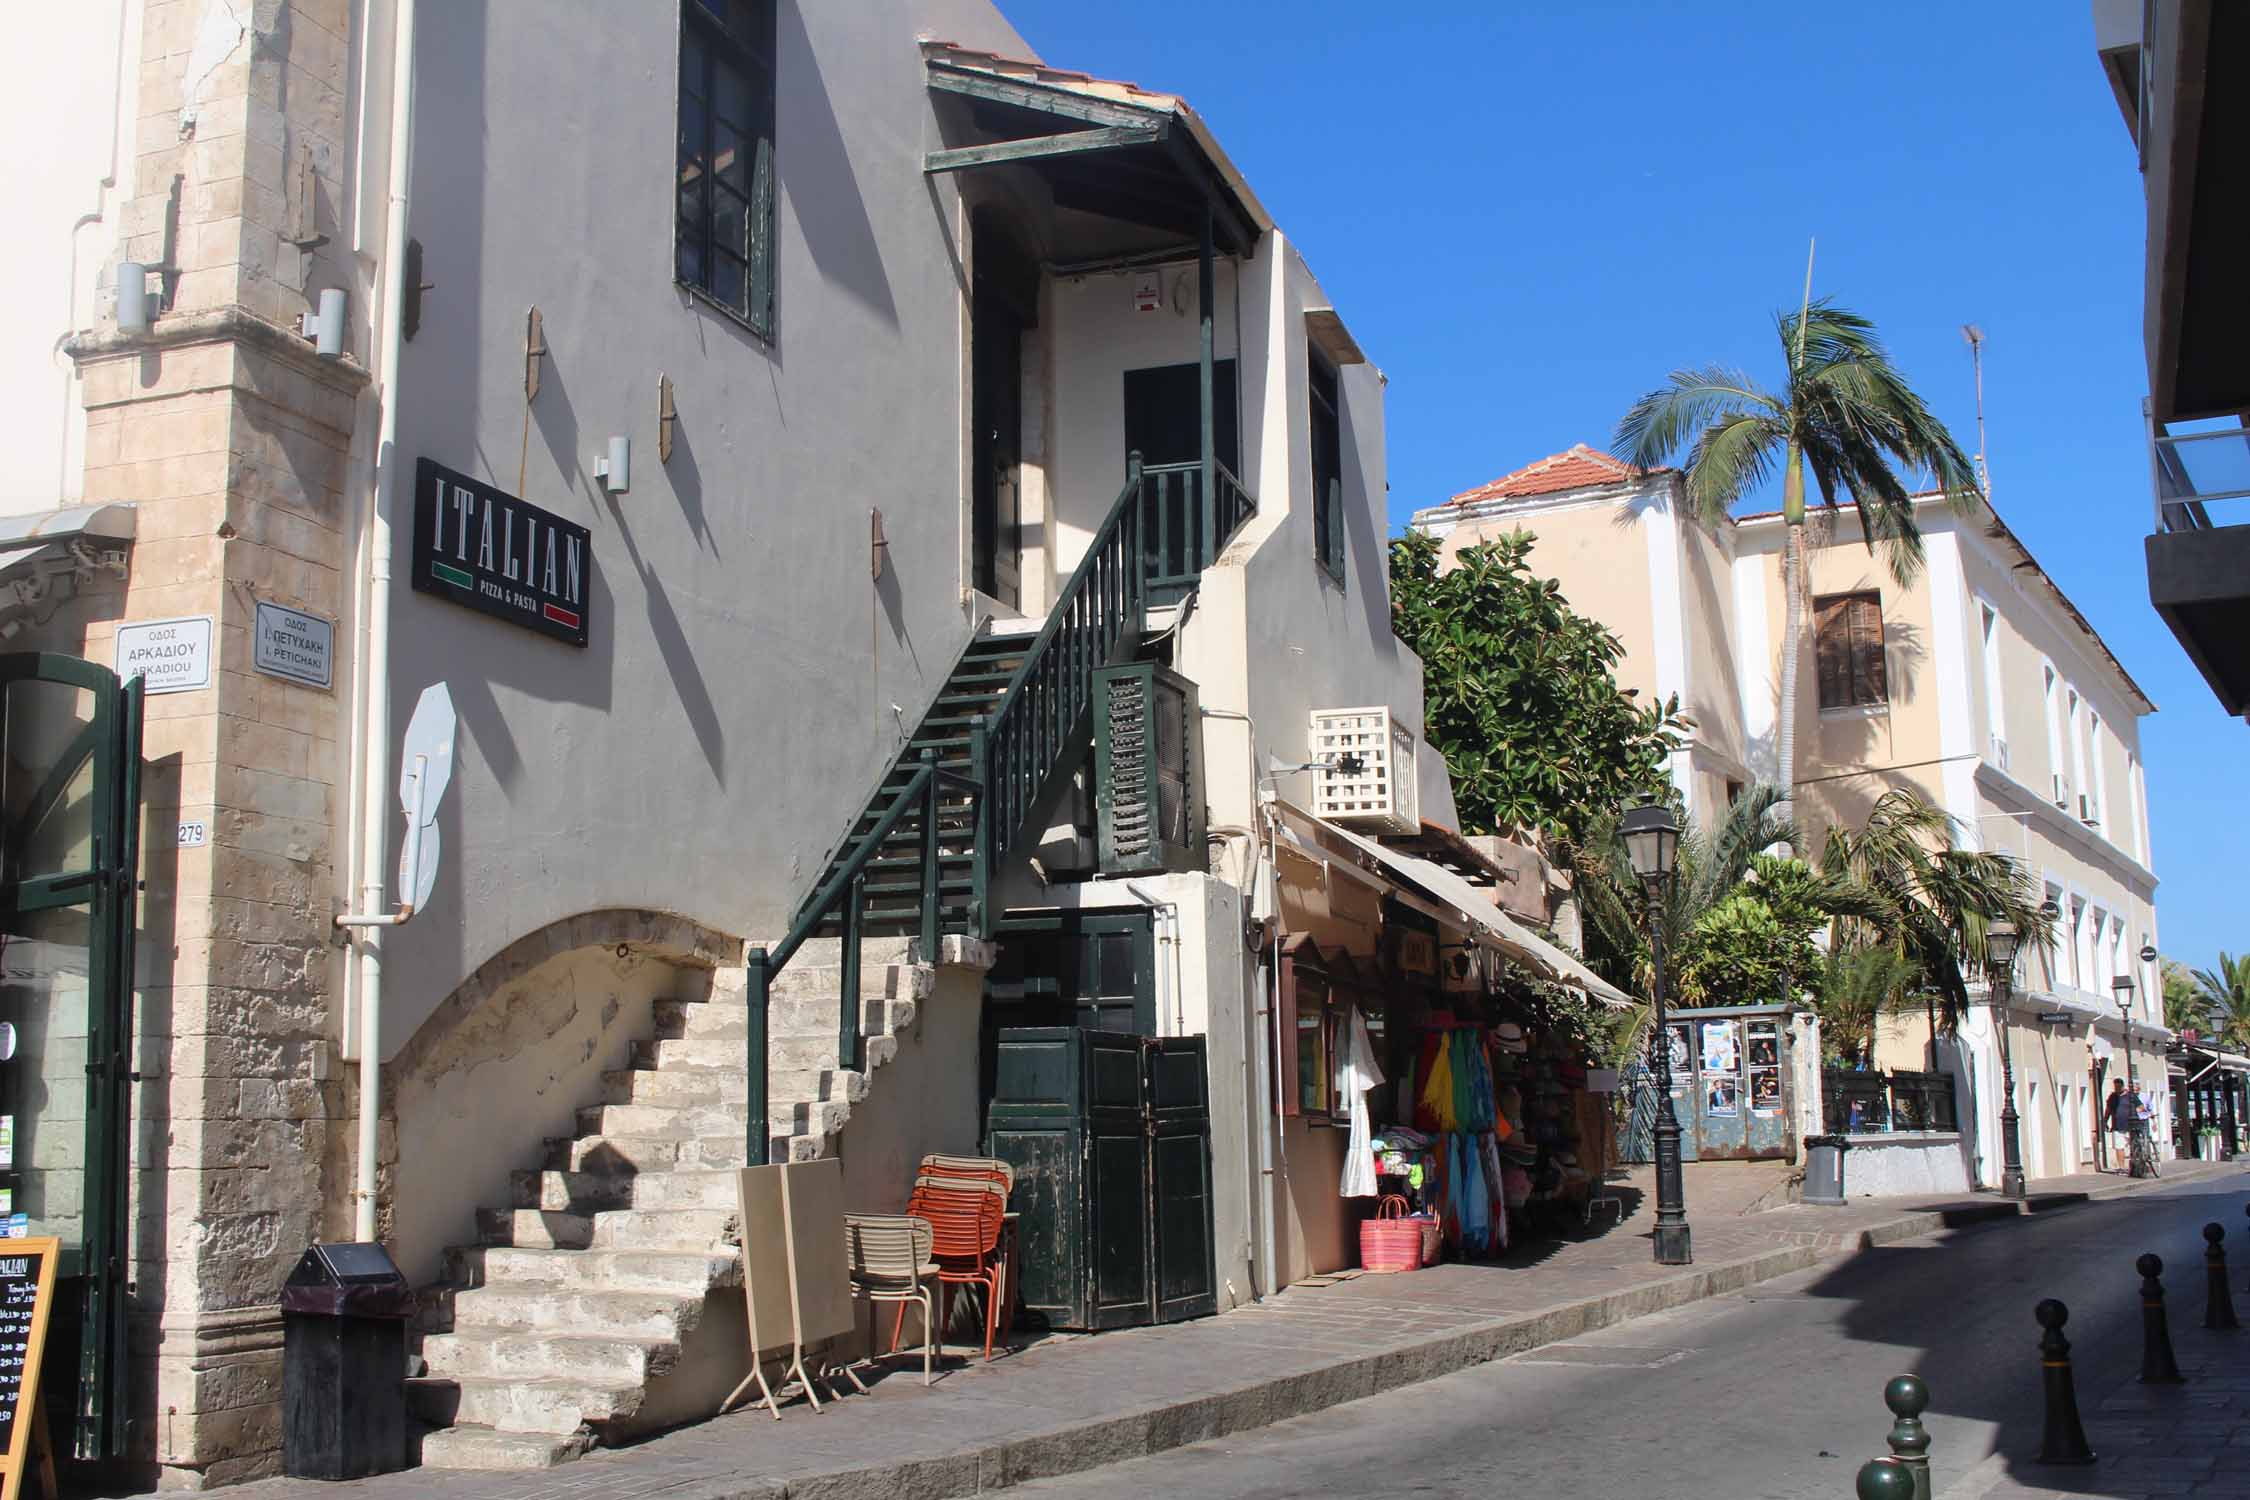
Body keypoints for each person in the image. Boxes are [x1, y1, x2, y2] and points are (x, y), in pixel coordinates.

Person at [2105, 1078, 2135, 1171]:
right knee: (2119, 1147)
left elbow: (2139, 1107)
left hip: (2130, 1126)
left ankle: (2135, 1164)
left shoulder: (2130, 1096)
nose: (2116, 1088)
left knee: (2133, 1146)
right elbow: (2108, 1109)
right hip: (2117, 1126)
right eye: (2115, 1086)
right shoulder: (2112, 1097)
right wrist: (2105, 1120)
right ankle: (2121, 1167)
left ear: (2122, 1086)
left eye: (2118, 1086)